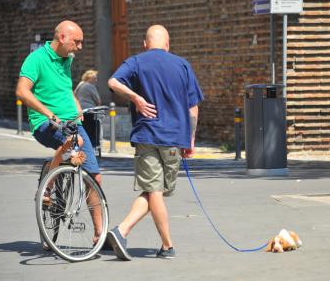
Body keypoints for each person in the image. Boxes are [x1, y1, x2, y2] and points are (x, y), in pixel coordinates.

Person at [107, 24, 204, 260]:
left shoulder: (137, 61)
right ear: (168, 44)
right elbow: (193, 107)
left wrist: (135, 97)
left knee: (153, 191)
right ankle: (166, 245)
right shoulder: (182, 65)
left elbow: (113, 82)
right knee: (155, 191)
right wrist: (190, 139)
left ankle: (121, 231)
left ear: (145, 44)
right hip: (173, 138)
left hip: (147, 135)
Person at [15, 20, 103, 245]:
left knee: (94, 176)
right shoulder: (36, 59)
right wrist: (49, 114)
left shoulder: (68, 59)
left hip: (72, 121)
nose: (80, 47)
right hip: (46, 123)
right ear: (62, 37)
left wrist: (77, 106)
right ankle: (47, 186)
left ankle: (99, 235)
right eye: (77, 41)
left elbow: (64, 88)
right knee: (75, 144)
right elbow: (22, 91)